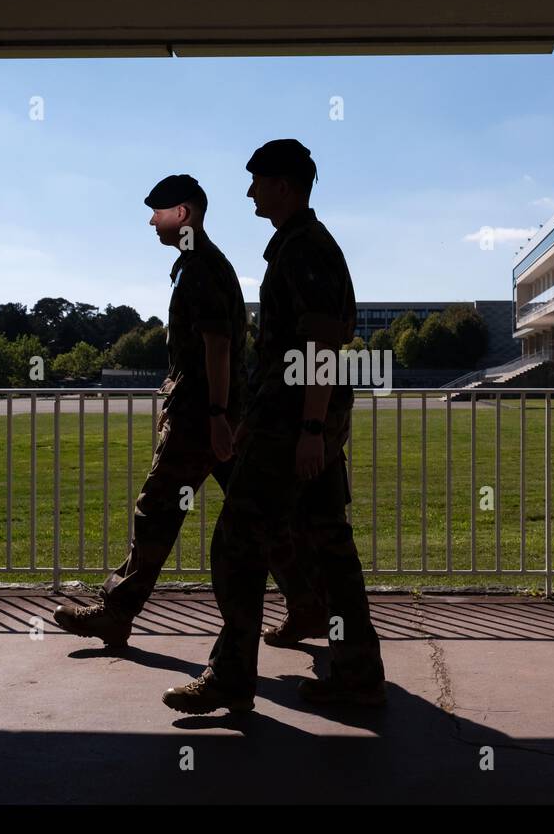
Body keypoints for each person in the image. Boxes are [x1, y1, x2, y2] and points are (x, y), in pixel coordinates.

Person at [53, 174, 326, 650]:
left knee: (156, 509)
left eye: (157, 212)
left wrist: (217, 414)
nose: (150, 221)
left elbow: (217, 346)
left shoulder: (200, 267)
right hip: (215, 413)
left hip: (203, 417)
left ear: (183, 213)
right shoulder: (198, 264)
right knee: (261, 515)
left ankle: (117, 613)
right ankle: (307, 605)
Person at [162, 140, 386, 714]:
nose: (249, 191)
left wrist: (309, 428)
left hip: (293, 427)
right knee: (331, 548)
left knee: (237, 546)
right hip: (300, 423)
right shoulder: (298, 245)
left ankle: (232, 676)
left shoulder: (304, 249)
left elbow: (321, 343)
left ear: (284, 185)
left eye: (257, 181)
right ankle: (357, 670)